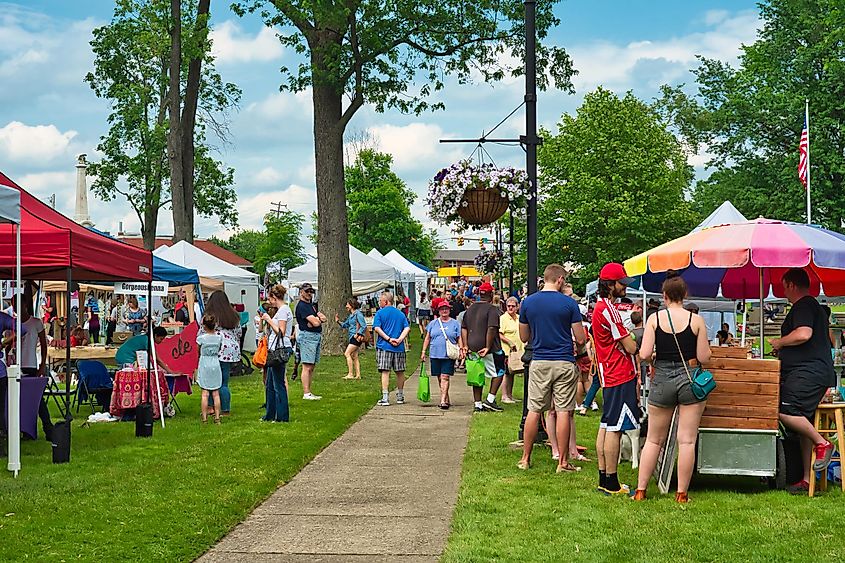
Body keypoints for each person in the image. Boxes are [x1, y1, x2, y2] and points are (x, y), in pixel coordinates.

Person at [634, 271, 711, 503]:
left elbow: (645, 353)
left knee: (654, 439)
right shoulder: (696, 321)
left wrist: (655, 357)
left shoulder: (654, 319)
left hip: (662, 378)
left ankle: (640, 491)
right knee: (686, 440)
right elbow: (703, 357)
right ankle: (681, 494)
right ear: (685, 295)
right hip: (689, 378)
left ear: (664, 295)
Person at [769, 268, 837, 495]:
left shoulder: (804, 306)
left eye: (783, 286)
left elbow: (803, 334)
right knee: (802, 422)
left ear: (790, 284)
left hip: (808, 373)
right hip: (811, 371)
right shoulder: (811, 306)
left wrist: (780, 342)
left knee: (785, 410)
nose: (783, 291)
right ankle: (807, 480)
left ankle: (823, 443)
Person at [517, 264, 586, 472]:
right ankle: (563, 462)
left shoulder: (528, 303)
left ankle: (525, 458)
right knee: (564, 410)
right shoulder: (569, 304)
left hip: (539, 361)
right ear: (560, 280)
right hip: (564, 361)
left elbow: (523, 337)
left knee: (534, 410)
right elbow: (581, 338)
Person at [592, 262, 641, 495]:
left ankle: (604, 477)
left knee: (606, 424)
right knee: (615, 428)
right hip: (619, 373)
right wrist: (635, 341)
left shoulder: (599, 308)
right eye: (622, 283)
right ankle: (612, 482)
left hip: (608, 372)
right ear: (611, 285)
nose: (625, 288)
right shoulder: (609, 310)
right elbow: (630, 347)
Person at [461, 282, 507, 413]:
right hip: (491, 348)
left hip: (472, 347)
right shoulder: (492, 309)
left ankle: (477, 404)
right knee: (499, 371)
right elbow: (491, 328)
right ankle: (490, 400)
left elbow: (463, 328)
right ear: (491, 295)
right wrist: (487, 346)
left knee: (477, 374)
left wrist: (465, 345)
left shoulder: (470, 309)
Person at [421, 298, 464, 409]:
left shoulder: (455, 324)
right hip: (435, 354)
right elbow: (427, 338)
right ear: (438, 311)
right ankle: (446, 397)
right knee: (440, 377)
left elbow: (459, 337)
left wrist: (461, 349)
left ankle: (442, 401)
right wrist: (423, 352)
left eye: (446, 309)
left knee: (445, 377)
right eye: (442, 309)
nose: (444, 311)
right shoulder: (433, 323)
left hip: (448, 355)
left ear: (449, 310)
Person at [204, 291, 241, 415]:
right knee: (224, 382)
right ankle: (225, 409)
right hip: (229, 351)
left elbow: (201, 332)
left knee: (210, 381)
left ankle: (210, 407)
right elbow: (238, 333)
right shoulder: (233, 315)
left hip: (213, 349)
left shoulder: (209, 315)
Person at [19, 302, 52, 440]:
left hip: (31, 365)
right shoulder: (13, 323)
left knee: (37, 400)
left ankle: (48, 428)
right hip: (16, 364)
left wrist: (42, 364)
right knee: (21, 401)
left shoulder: (36, 322)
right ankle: (27, 431)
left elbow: (44, 345)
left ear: (25, 305)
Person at [261, 284, 292, 422]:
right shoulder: (281, 310)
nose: (269, 301)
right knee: (270, 384)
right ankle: (270, 414)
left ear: (274, 297)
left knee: (278, 384)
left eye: (270, 298)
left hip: (280, 349)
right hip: (274, 349)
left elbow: (281, 331)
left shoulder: (284, 310)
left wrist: (268, 320)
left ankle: (282, 416)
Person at [373, 291, 411, 406]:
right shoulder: (400, 314)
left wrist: (389, 339)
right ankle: (400, 396)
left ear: (386, 301)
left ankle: (385, 397)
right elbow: (407, 328)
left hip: (385, 346)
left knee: (385, 371)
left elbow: (377, 328)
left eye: (380, 301)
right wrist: (400, 339)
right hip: (399, 347)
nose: (379, 302)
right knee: (400, 372)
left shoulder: (380, 313)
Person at [295, 283, 326, 400]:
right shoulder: (302, 306)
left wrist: (316, 320)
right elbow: (317, 322)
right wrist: (316, 320)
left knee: (311, 366)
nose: (309, 294)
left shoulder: (312, 306)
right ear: (301, 292)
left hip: (315, 336)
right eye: (307, 291)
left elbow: (323, 318)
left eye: (311, 292)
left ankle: (309, 391)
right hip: (307, 336)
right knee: (307, 365)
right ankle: (306, 392)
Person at [196, 313, 223, 425]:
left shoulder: (201, 338)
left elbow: (198, 350)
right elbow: (220, 348)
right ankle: (217, 418)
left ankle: (204, 418)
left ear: (204, 326)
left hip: (204, 362)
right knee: (216, 393)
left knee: (205, 393)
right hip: (215, 362)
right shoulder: (219, 338)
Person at [499, 296, 523, 404]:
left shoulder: (518, 318)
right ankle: (504, 395)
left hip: (518, 350)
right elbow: (500, 334)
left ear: (517, 307)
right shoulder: (503, 318)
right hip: (507, 350)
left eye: (513, 306)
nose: (511, 308)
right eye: (509, 306)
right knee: (506, 373)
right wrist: (509, 342)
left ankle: (510, 394)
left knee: (512, 372)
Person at [336, 298, 366, 380]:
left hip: (355, 337)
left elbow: (363, 325)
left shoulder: (358, 314)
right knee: (355, 356)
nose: (346, 306)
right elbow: (345, 325)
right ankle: (358, 375)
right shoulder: (351, 315)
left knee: (347, 353)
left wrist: (358, 334)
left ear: (352, 305)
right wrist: (338, 321)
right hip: (352, 337)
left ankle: (350, 374)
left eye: (347, 305)